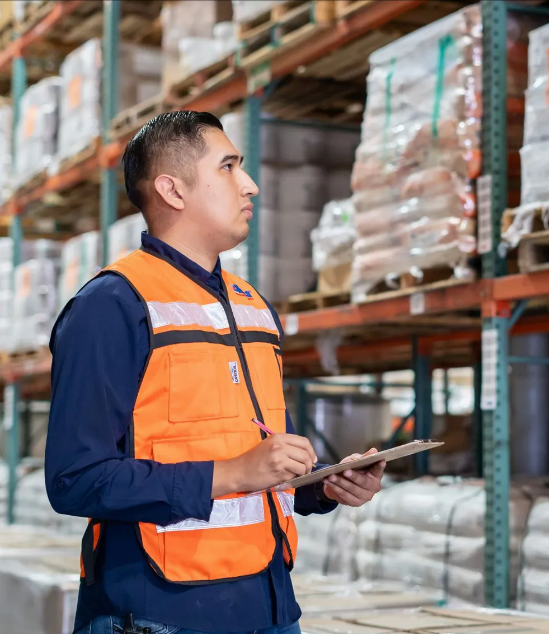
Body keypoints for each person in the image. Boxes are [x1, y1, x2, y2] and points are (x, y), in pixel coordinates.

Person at [45, 110, 385, 634]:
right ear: (172, 190)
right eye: (228, 167)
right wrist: (234, 473)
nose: (249, 184)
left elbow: (259, 461)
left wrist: (321, 487)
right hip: (159, 614)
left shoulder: (251, 306)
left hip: (269, 606)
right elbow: (74, 479)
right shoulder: (112, 305)